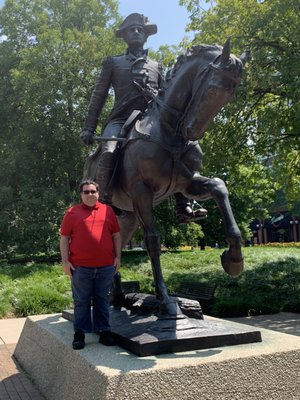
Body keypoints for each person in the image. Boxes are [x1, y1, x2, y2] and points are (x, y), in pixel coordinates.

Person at [80, 13, 207, 223]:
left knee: (180, 147)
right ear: (124, 36)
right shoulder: (113, 63)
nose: (137, 32)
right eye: (132, 29)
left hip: (151, 120)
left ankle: (184, 204)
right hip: (120, 120)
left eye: (140, 29)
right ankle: (105, 201)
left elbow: (167, 95)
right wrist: (89, 127)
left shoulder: (156, 66)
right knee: (109, 150)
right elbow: (99, 95)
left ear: (146, 36)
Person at [60, 179, 121, 350]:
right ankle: (79, 333)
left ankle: (104, 331)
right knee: (81, 301)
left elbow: (116, 235)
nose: (90, 194)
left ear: (98, 193)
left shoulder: (108, 211)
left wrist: (118, 257)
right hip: (80, 267)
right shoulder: (72, 212)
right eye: (86, 192)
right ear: (81, 195)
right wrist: (65, 262)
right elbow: (64, 238)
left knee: (102, 299)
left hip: (105, 266)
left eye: (93, 191)